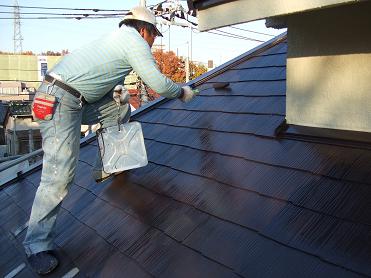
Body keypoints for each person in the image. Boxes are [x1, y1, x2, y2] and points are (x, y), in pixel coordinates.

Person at [24, 6, 198, 275]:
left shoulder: (117, 39)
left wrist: (114, 92)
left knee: (119, 108)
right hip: (59, 101)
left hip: (75, 99)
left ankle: (107, 165)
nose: (153, 42)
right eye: (154, 36)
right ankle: (36, 244)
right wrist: (182, 92)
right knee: (59, 174)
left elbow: (97, 79)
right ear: (145, 30)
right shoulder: (134, 41)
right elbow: (159, 85)